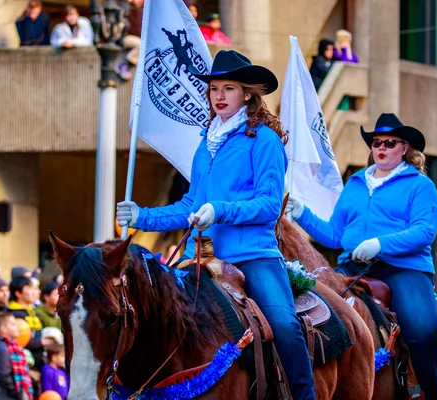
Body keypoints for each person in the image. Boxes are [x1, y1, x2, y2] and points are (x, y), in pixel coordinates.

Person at [117, 50, 316, 399]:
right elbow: (191, 207)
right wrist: (142, 217)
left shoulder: (265, 140)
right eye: (214, 89)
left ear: (248, 94)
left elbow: (270, 205)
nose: (219, 96)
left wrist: (220, 209)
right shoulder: (204, 143)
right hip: (201, 259)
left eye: (229, 88)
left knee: (285, 325)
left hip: (253, 256)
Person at [287, 113, 437, 399]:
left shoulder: (421, 186)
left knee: (423, 330)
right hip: (352, 266)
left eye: (389, 143)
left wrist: (379, 244)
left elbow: (424, 231)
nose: (381, 148)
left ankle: (430, 393)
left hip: (403, 269)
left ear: (405, 147)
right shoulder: (356, 183)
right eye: (376, 142)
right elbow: (335, 235)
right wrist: (301, 214)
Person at [8, 276, 53, 371]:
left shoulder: (31, 311)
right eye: (29, 289)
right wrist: (43, 342)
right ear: (18, 294)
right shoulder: (15, 314)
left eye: (34, 289)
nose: (34, 293)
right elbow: (20, 341)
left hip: (38, 361)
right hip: (26, 364)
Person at [0, 312, 33, 400]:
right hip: (4, 396)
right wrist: (17, 394)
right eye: (13, 324)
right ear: (3, 330)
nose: (18, 327)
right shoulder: (2, 349)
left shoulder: (13, 346)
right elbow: (4, 375)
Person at [115, 0, 143, 81]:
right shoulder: (127, 7)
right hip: (125, 38)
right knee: (141, 45)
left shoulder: (144, 10)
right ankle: (124, 65)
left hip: (137, 38)